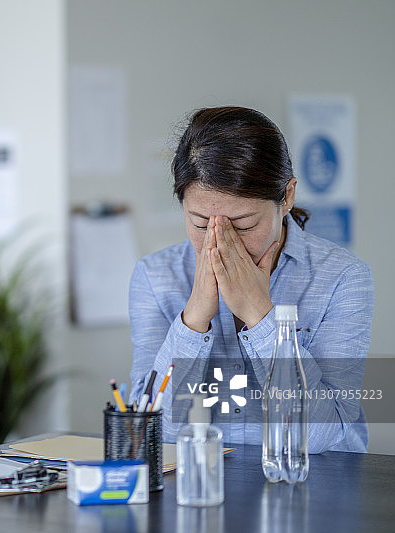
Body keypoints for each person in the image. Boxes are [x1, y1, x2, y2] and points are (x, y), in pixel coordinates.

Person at [128, 106, 373, 454]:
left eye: (243, 225)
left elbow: (321, 434)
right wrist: (194, 319)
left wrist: (261, 316)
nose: (221, 241)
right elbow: (153, 429)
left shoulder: (343, 278)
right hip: (203, 486)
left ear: (286, 197)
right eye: (200, 223)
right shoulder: (155, 277)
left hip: (317, 488)